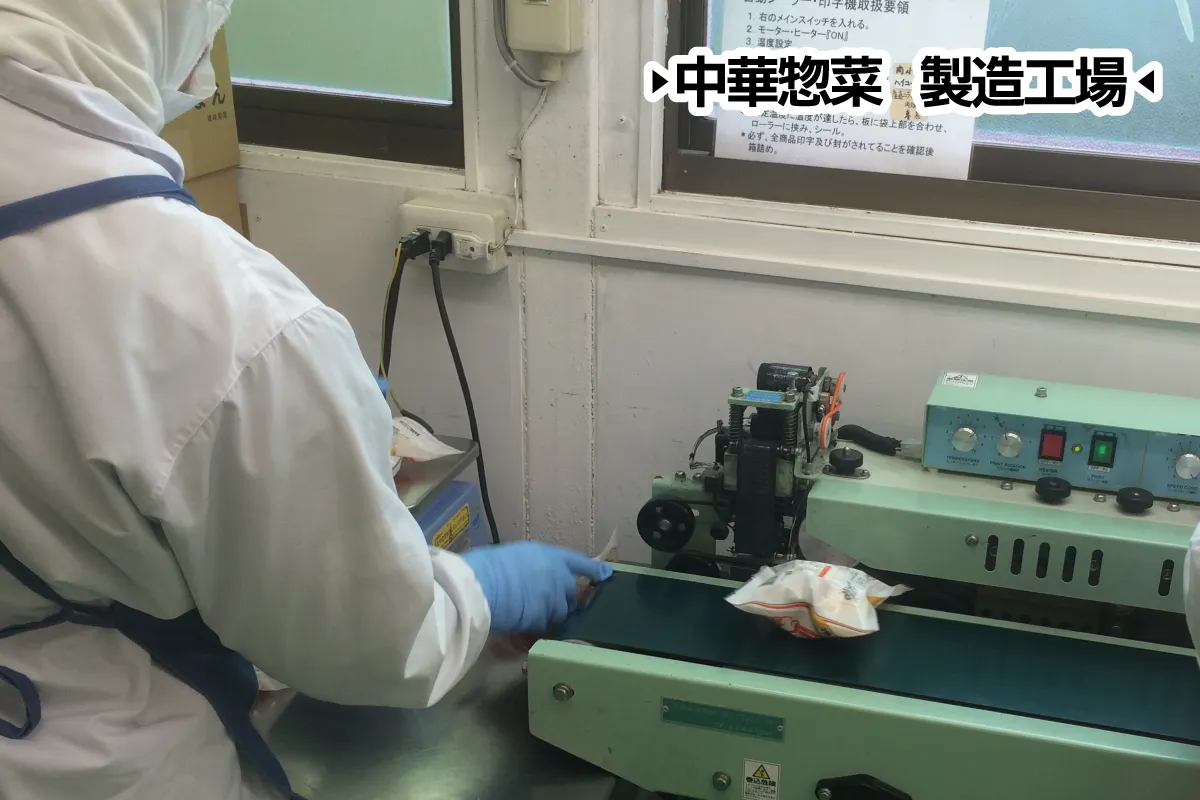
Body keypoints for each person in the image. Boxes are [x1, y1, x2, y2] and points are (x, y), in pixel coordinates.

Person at [0, 2, 612, 798]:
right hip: (96, 747)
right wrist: (479, 593)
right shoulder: (224, 319)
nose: (205, 66)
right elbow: (366, 645)